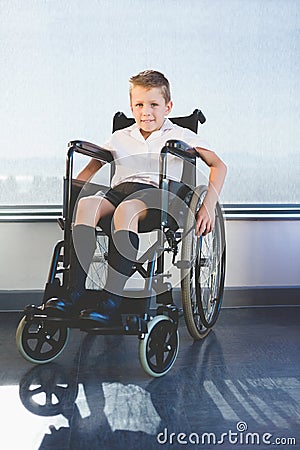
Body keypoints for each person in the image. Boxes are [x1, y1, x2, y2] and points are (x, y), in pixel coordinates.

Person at [45, 70, 227, 326]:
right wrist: (71, 205)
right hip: (121, 191)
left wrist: (207, 207)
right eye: (139, 105)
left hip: (159, 197)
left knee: (126, 209)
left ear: (168, 106)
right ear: (131, 106)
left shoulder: (181, 134)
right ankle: (73, 294)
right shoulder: (120, 137)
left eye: (154, 105)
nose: (146, 112)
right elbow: (89, 171)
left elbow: (219, 166)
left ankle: (110, 301)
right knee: (87, 205)